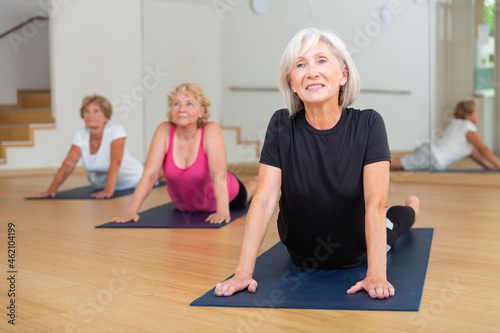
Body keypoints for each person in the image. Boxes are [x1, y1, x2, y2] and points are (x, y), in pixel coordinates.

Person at [213, 27, 420, 300]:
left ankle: (413, 208)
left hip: (357, 248)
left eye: (322, 60)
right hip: (301, 252)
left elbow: (375, 203)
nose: (312, 72)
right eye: (301, 64)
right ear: (291, 82)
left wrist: (376, 275)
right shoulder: (280, 125)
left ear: (343, 75)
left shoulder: (369, 124)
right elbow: (263, 199)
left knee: (393, 221)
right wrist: (242, 272)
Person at [112, 83, 257, 224]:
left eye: (189, 104)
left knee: (250, 188)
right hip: (186, 207)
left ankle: (257, 180)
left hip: (228, 198)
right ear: (171, 110)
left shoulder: (211, 130)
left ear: (201, 111)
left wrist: (223, 211)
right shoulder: (164, 130)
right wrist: (131, 211)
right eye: (176, 103)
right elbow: (150, 175)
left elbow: (219, 174)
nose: (181, 109)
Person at [32, 94, 143, 199]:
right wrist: (51, 190)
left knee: (155, 174)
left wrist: (108, 191)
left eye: (96, 111)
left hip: (133, 177)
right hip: (101, 183)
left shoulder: (116, 130)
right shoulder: (81, 133)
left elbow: (116, 162)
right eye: (87, 112)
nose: (90, 116)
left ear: (106, 116)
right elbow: (68, 164)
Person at [391, 97, 500, 171]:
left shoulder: (458, 124)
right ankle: (375, 164)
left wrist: (488, 168)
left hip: (430, 154)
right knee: (396, 164)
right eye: (475, 111)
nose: (478, 114)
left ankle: (376, 162)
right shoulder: (467, 125)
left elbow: (474, 154)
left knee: (398, 163)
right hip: (432, 157)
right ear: (468, 115)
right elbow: (483, 149)